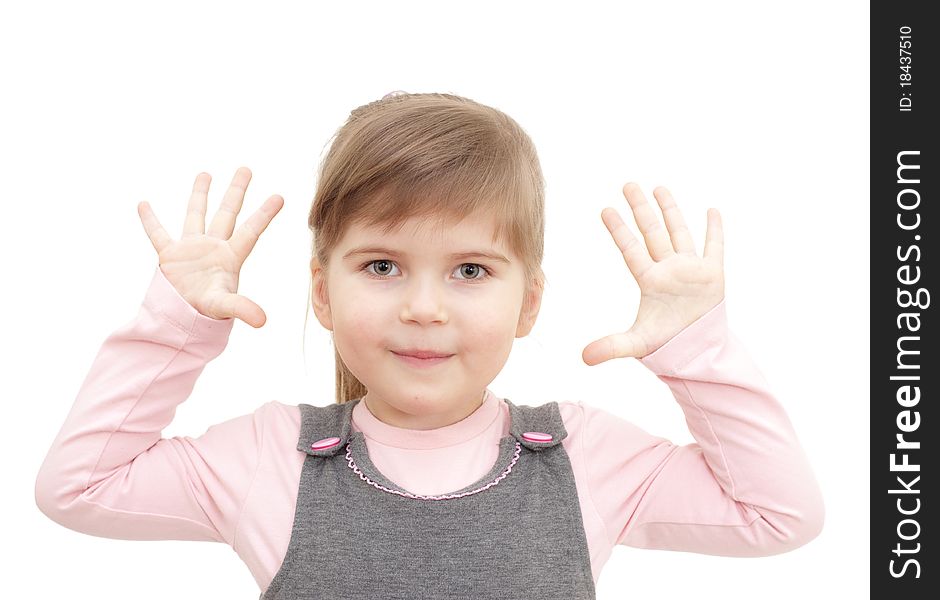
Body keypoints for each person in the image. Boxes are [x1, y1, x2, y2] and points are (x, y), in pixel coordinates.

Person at [34, 92, 824, 599]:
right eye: (382, 265)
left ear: (529, 301)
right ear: (322, 292)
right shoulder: (271, 457)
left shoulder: (583, 458)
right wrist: (177, 325)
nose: (422, 307)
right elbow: (78, 486)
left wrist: (698, 349)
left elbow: (778, 513)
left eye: (471, 270)